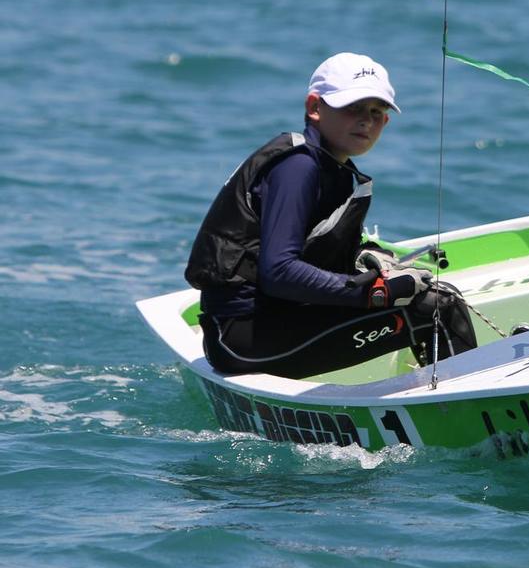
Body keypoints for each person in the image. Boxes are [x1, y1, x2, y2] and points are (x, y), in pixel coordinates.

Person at [184, 52, 477, 379]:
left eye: (376, 112)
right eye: (353, 107)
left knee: (433, 295)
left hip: (272, 321)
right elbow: (279, 271)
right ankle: (465, 407)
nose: (366, 120)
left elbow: (309, 247)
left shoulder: (329, 167)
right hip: (243, 338)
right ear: (315, 107)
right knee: (440, 307)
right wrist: (374, 292)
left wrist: (367, 257)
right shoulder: (298, 167)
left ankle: (435, 388)